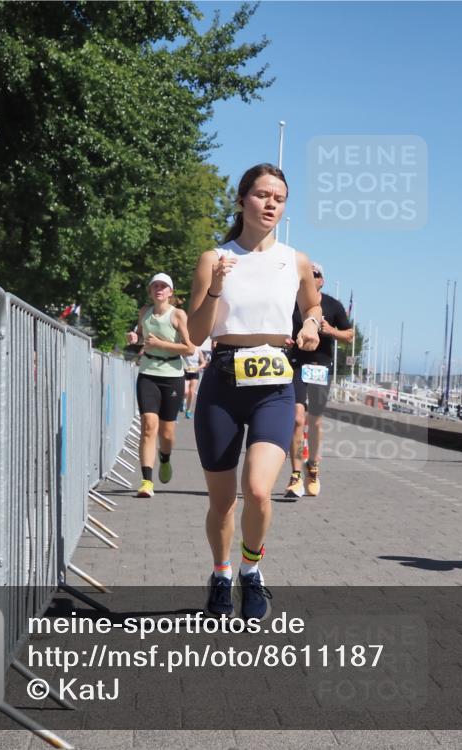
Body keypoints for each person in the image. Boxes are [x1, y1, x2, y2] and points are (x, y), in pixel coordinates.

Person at [186, 163, 322, 618]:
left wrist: (310, 323)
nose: (270, 204)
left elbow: (313, 305)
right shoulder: (215, 258)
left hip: (275, 383)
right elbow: (196, 335)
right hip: (223, 379)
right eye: (262, 195)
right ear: (243, 199)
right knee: (223, 501)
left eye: (278, 198)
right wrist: (216, 290)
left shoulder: (295, 260)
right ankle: (221, 575)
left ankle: (252, 570)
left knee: (260, 491)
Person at [284, 262, 354, 498]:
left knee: (314, 421)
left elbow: (349, 335)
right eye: (306, 274)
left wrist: (331, 331)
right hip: (295, 365)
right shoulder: (290, 302)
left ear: (321, 280)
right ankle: (295, 475)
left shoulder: (333, 305)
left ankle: (312, 466)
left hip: (320, 367)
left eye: (315, 275)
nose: (311, 278)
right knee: (296, 418)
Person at [126, 274, 196, 498]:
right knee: (148, 425)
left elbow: (190, 348)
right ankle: (146, 481)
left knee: (167, 433)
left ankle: (165, 458)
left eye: (163, 286)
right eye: (155, 285)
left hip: (172, 374)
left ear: (170, 292)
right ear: (150, 291)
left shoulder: (177, 315)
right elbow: (139, 335)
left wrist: (161, 344)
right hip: (148, 372)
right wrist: (133, 337)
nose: (159, 289)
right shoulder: (144, 312)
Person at [182, 347, 207, 419]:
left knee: (192, 391)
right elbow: (180, 358)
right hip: (185, 372)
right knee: (185, 391)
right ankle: (183, 401)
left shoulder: (198, 350)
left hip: (194, 373)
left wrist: (198, 368)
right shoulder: (186, 347)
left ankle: (188, 410)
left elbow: (203, 363)